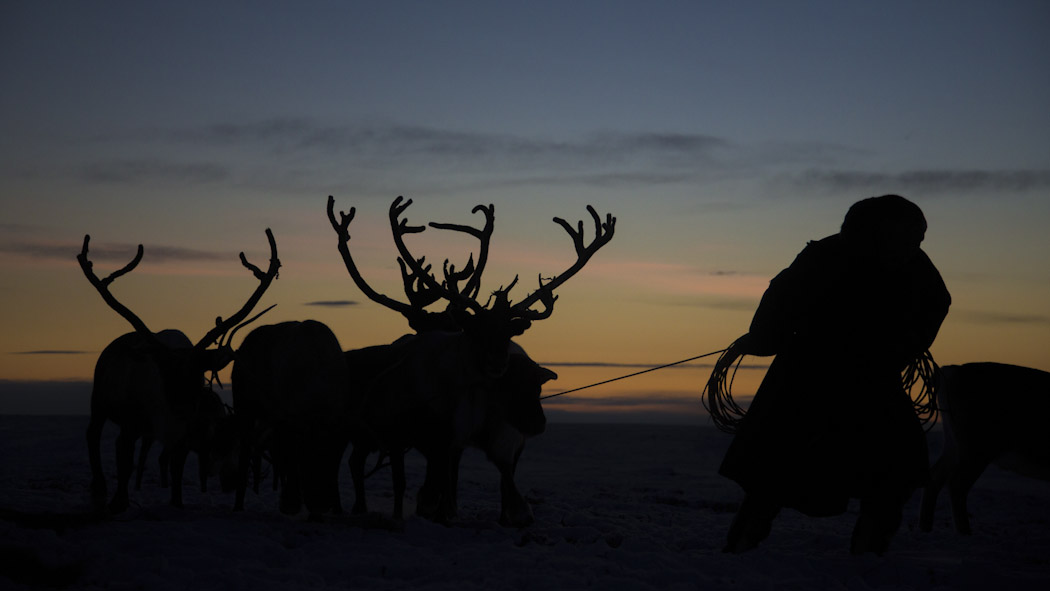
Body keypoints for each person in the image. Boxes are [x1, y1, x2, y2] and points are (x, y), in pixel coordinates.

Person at [716, 194, 951, 555]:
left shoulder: (824, 256)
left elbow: (774, 314)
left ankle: (864, 552)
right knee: (887, 471)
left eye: (917, 240)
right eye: (910, 238)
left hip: (821, 383)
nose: (915, 247)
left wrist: (764, 339)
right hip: (835, 382)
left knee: (785, 469)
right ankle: (745, 543)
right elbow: (933, 309)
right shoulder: (847, 260)